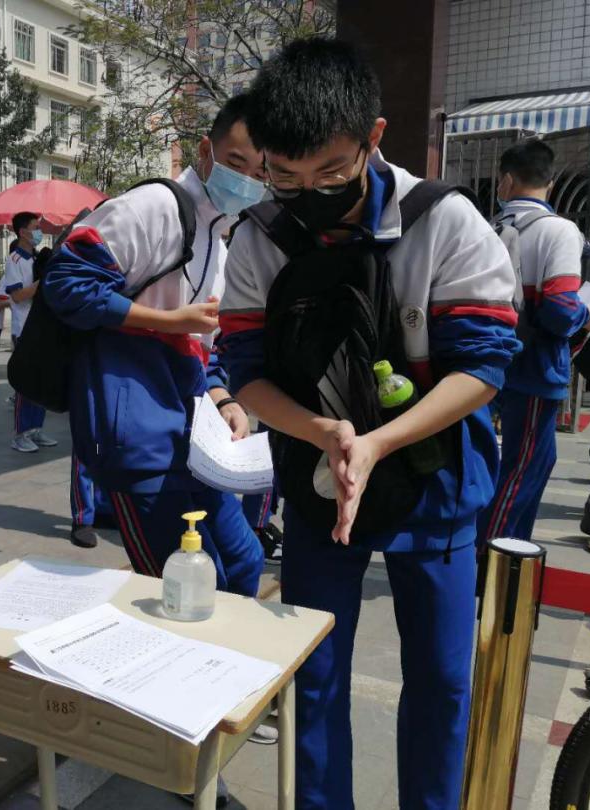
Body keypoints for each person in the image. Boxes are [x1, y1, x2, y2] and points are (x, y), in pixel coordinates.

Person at [219, 40, 520, 810]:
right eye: (285, 176)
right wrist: (324, 434)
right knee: (314, 675)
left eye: (332, 172)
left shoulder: (443, 221)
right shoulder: (257, 235)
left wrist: (381, 439)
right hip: (320, 476)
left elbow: (484, 366)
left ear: (374, 137)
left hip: (432, 474)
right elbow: (244, 369)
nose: (308, 193)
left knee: (443, 680)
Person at [43, 93, 268, 598]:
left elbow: (199, 349)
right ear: (206, 151)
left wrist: (224, 399)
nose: (248, 181)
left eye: (261, 172)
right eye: (237, 164)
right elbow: (66, 284)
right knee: (186, 587)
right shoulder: (154, 206)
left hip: (193, 440)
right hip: (139, 437)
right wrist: (167, 321)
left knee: (244, 561)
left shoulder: (219, 238)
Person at [479, 140, 590, 543]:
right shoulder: (559, 231)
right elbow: (560, 309)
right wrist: (588, 314)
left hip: (488, 364)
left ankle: (509, 547)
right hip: (534, 369)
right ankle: (492, 556)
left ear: (508, 180)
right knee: (523, 467)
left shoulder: (487, 228)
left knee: (525, 461)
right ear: (550, 182)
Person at [3, 212, 58, 453]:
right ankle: (20, 434)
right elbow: (17, 296)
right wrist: (42, 282)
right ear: (23, 231)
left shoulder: (38, 258)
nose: (40, 231)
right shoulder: (14, 260)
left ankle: (36, 429)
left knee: (43, 381)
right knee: (25, 384)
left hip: (42, 326)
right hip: (24, 328)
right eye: (36, 227)